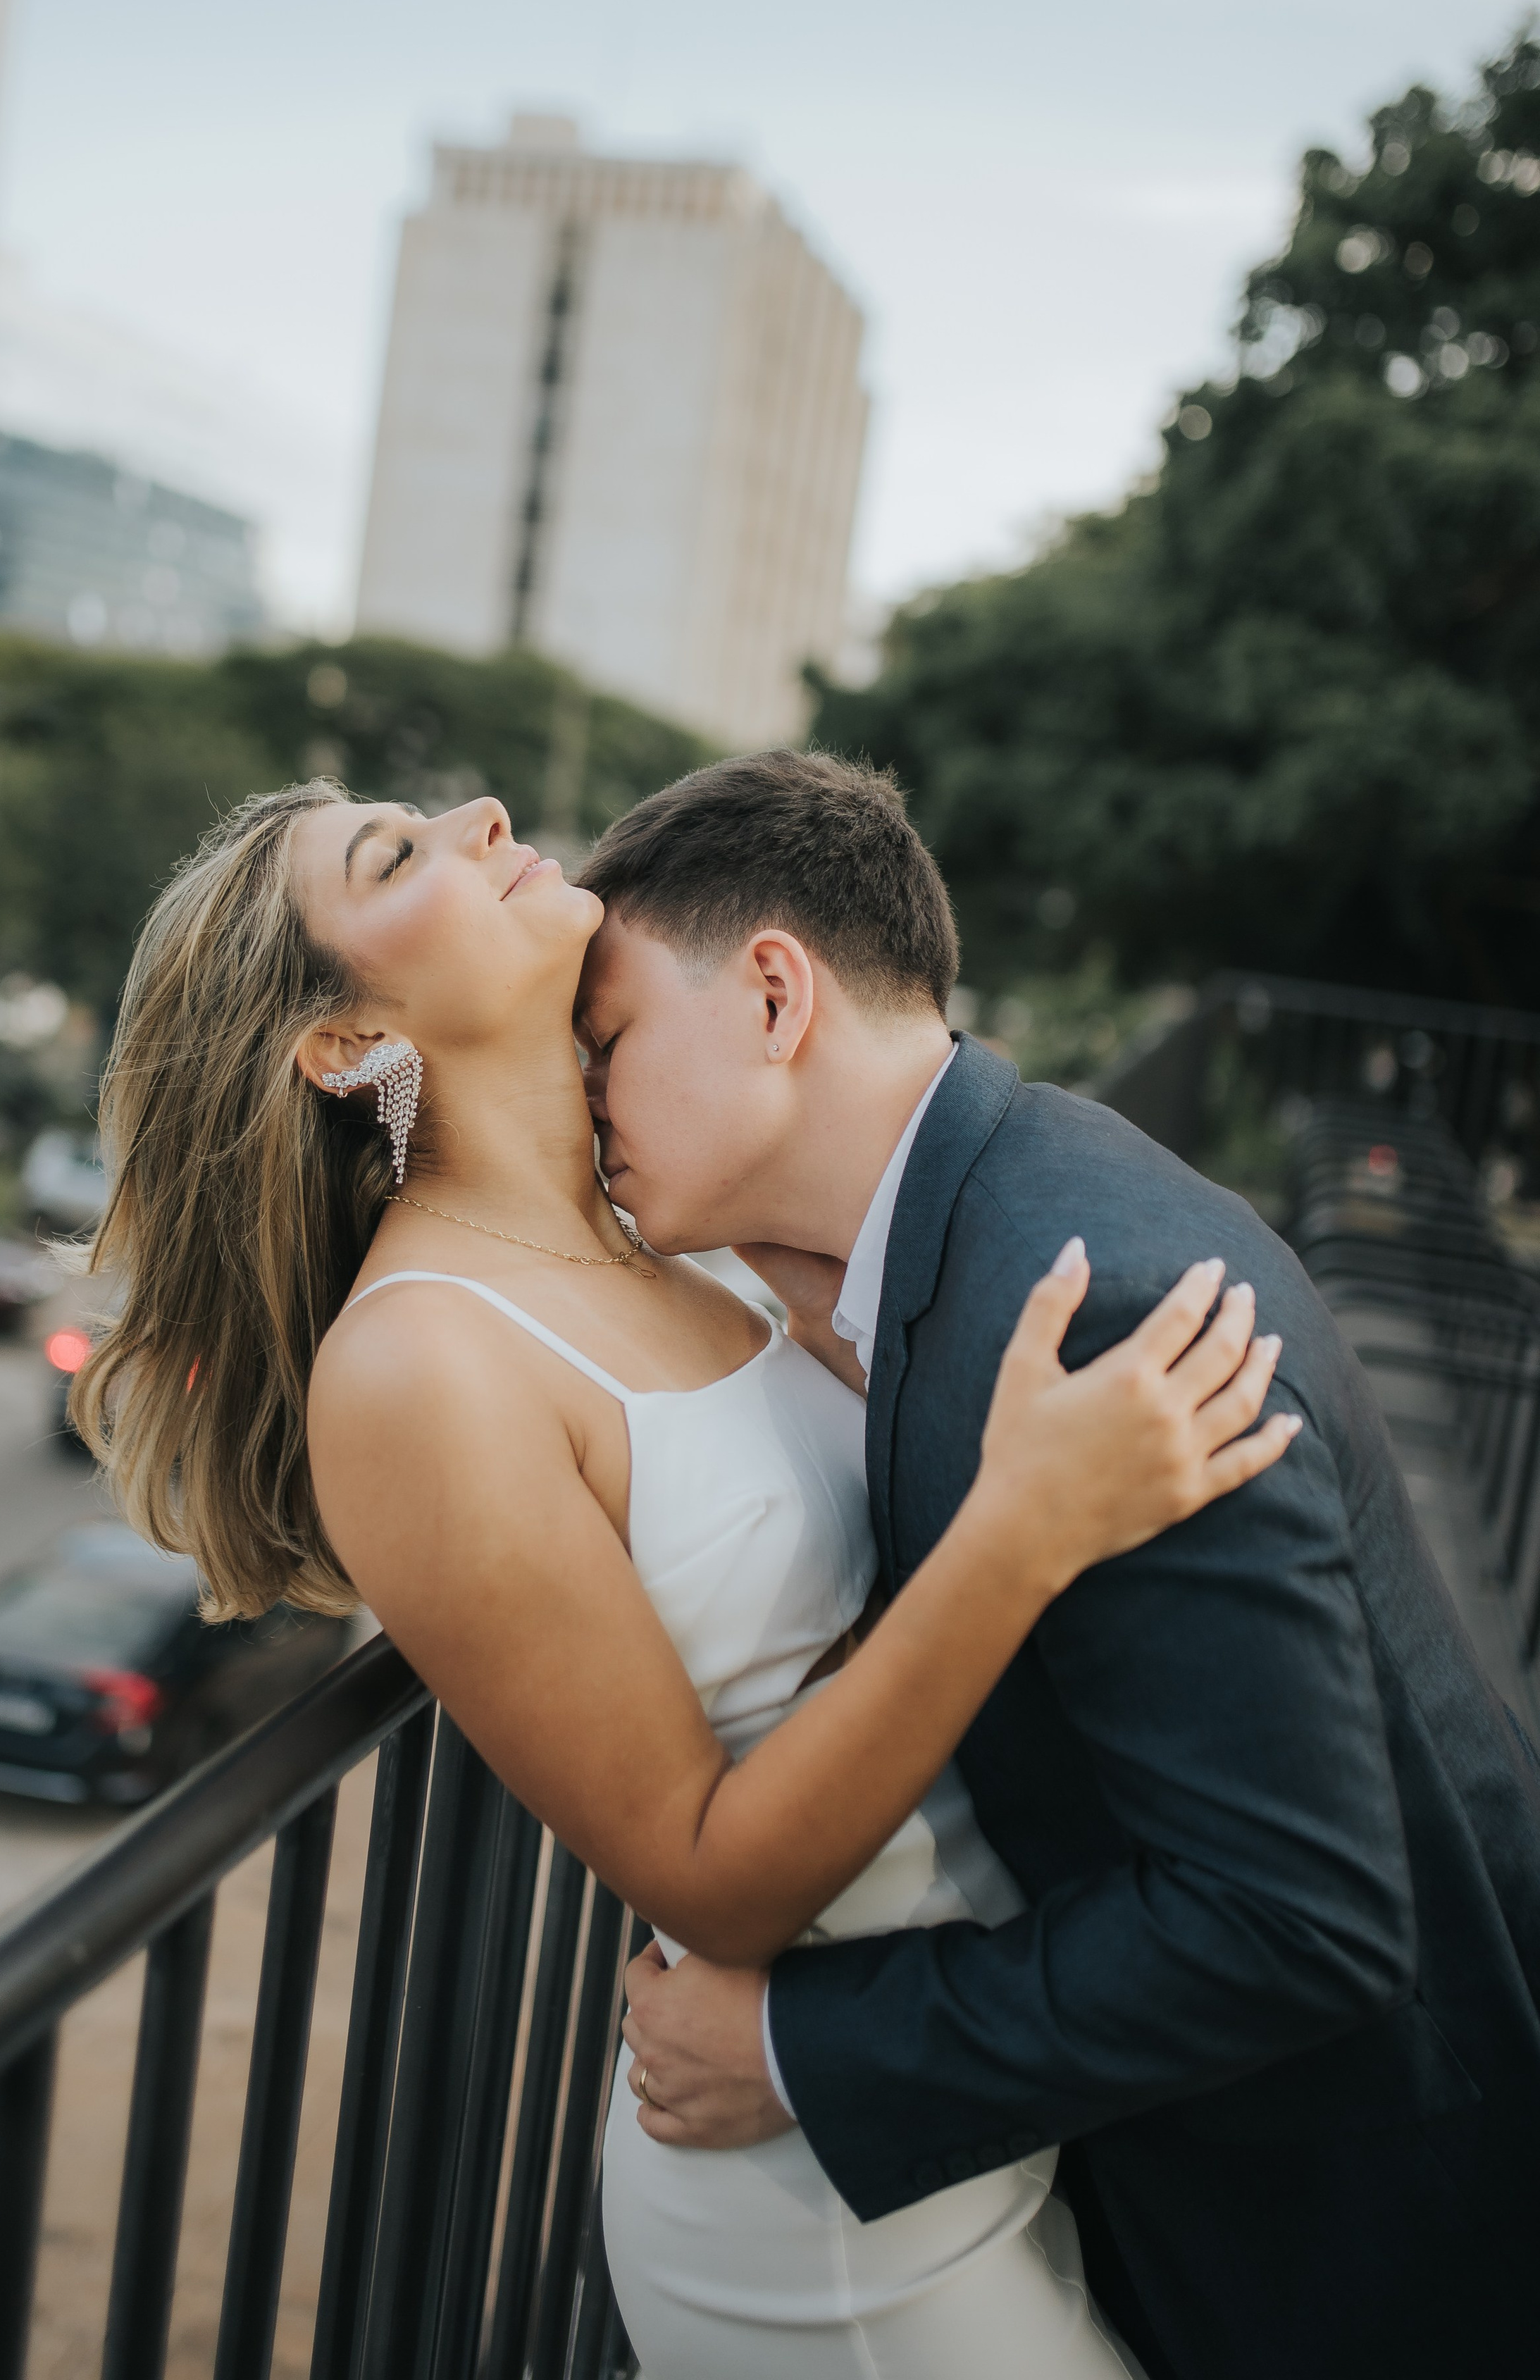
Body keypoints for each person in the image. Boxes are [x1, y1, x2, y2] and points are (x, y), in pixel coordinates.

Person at [76, 774, 1299, 2380]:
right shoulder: (417, 1363)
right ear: (336, 1042)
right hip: (828, 2232)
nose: (485, 814)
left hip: (967, 2069)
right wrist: (1025, 1526)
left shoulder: (676, 1226)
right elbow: (707, 1876)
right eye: (398, 854)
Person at [580, 749, 1540, 2380]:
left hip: (1366, 2247)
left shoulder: (1081, 1303)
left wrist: (802, 2051)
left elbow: (1294, 1921)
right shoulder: (993, 1212)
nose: (578, 1100)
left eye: (602, 1043)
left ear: (768, 993)